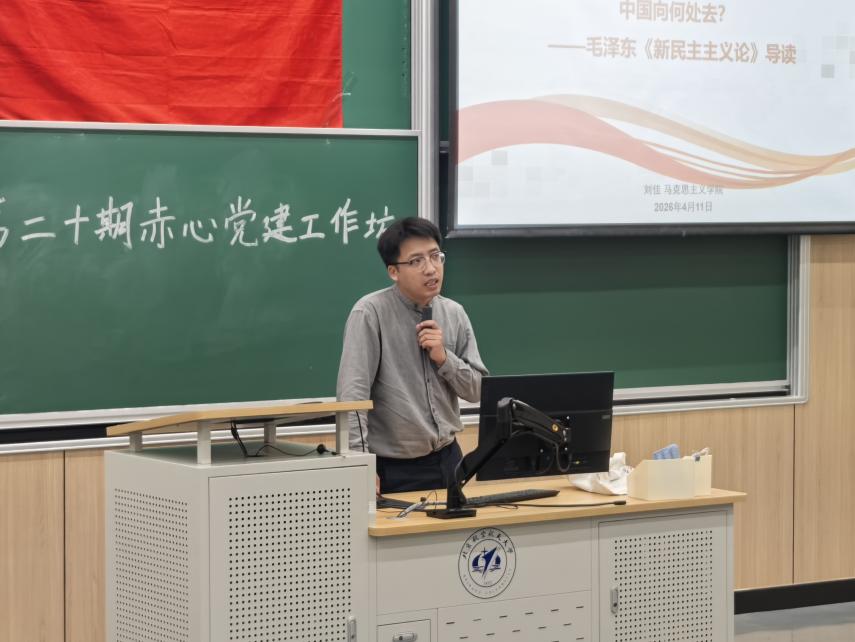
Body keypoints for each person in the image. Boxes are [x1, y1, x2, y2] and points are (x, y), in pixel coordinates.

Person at [336, 217, 488, 495]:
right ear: (394, 271)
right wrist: (359, 464)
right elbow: (352, 398)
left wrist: (444, 358)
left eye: (435, 256)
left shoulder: (454, 313)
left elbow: (478, 390)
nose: (431, 268)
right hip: (393, 469)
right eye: (417, 261)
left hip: (450, 459)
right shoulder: (370, 313)